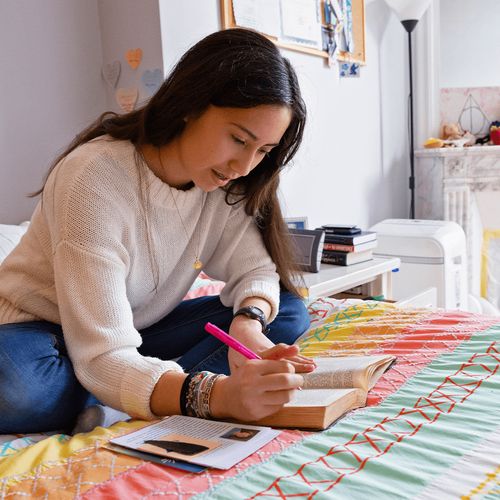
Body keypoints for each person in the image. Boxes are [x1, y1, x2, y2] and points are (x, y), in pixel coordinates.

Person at [0, 28, 315, 435]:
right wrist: (218, 396)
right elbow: (102, 352)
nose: (244, 166)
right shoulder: (94, 177)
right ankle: (139, 390)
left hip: (130, 329)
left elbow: (254, 270)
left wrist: (248, 323)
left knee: (285, 309)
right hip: (37, 334)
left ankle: (134, 388)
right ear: (191, 103)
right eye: (238, 138)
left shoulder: (223, 183)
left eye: (263, 151)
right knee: (15, 387)